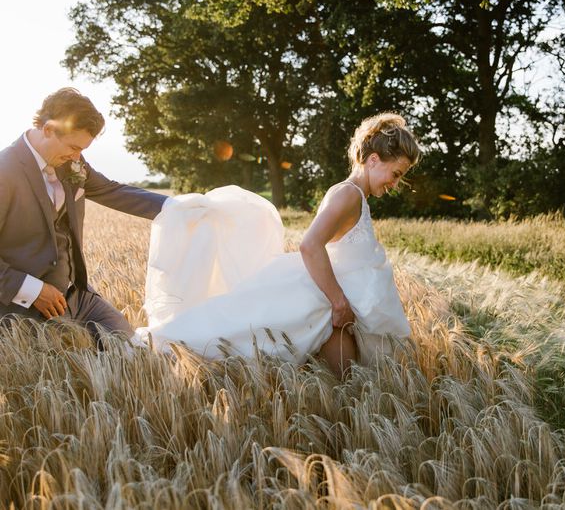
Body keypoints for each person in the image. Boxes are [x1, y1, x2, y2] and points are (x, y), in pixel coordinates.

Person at [137, 113, 420, 377]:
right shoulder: (348, 195)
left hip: (329, 306)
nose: (396, 183)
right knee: (233, 338)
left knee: (345, 383)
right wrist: (338, 302)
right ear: (372, 160)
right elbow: (310, 245)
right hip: (322, 300)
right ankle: (158, 346)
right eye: (396, 173)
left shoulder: (354, 196)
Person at [0, 88, 168, 340]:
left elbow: (115, 191)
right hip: (26, 306)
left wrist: (178, 209)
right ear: (48, 129)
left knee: (131, 346)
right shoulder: (5, 171)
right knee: (68, 363)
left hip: (78, 294)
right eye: (73, 147)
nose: (77, 157)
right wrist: (33, 291)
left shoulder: (70, 163)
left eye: (82, 149)